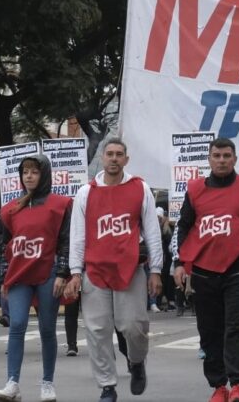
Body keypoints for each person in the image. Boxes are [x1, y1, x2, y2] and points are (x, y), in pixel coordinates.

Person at [64, 138, 163, 402]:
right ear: (103, 157)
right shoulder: (86, 192)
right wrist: (75, 272)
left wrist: (156, 270)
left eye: (119, 154)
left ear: (126, 160)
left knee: (133, 327)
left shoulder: (140, 188)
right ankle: (107, 386)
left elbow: (152, 232)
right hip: (94, 271)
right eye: (109, 154)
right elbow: (78, 236)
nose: (114, 159)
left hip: (130, 269)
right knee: (97, 331)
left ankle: (137, 361)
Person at [173, 137, 239, 402]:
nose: (222, 160)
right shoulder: (194, 190)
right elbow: (183, 227)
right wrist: (180, 263)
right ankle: (218, 386)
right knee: (209, 330)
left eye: (227, 155)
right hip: (203, 270)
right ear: (209, 158)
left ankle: (237, 384)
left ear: (235, 158)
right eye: (217, 156)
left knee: (235, 327)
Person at [0, 154, 72, 402]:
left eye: (34, 171)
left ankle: (47, 383)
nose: (29, 176)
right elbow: (2, 244)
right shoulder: (10, 209)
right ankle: (12, 383)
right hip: (20, 275)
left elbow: (65, 241)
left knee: (47, 329)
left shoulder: (60, 204)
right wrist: (6, 277)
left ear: (44, 174)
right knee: (16, 326)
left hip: (48, 273)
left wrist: (62, 274)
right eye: (25, 172)